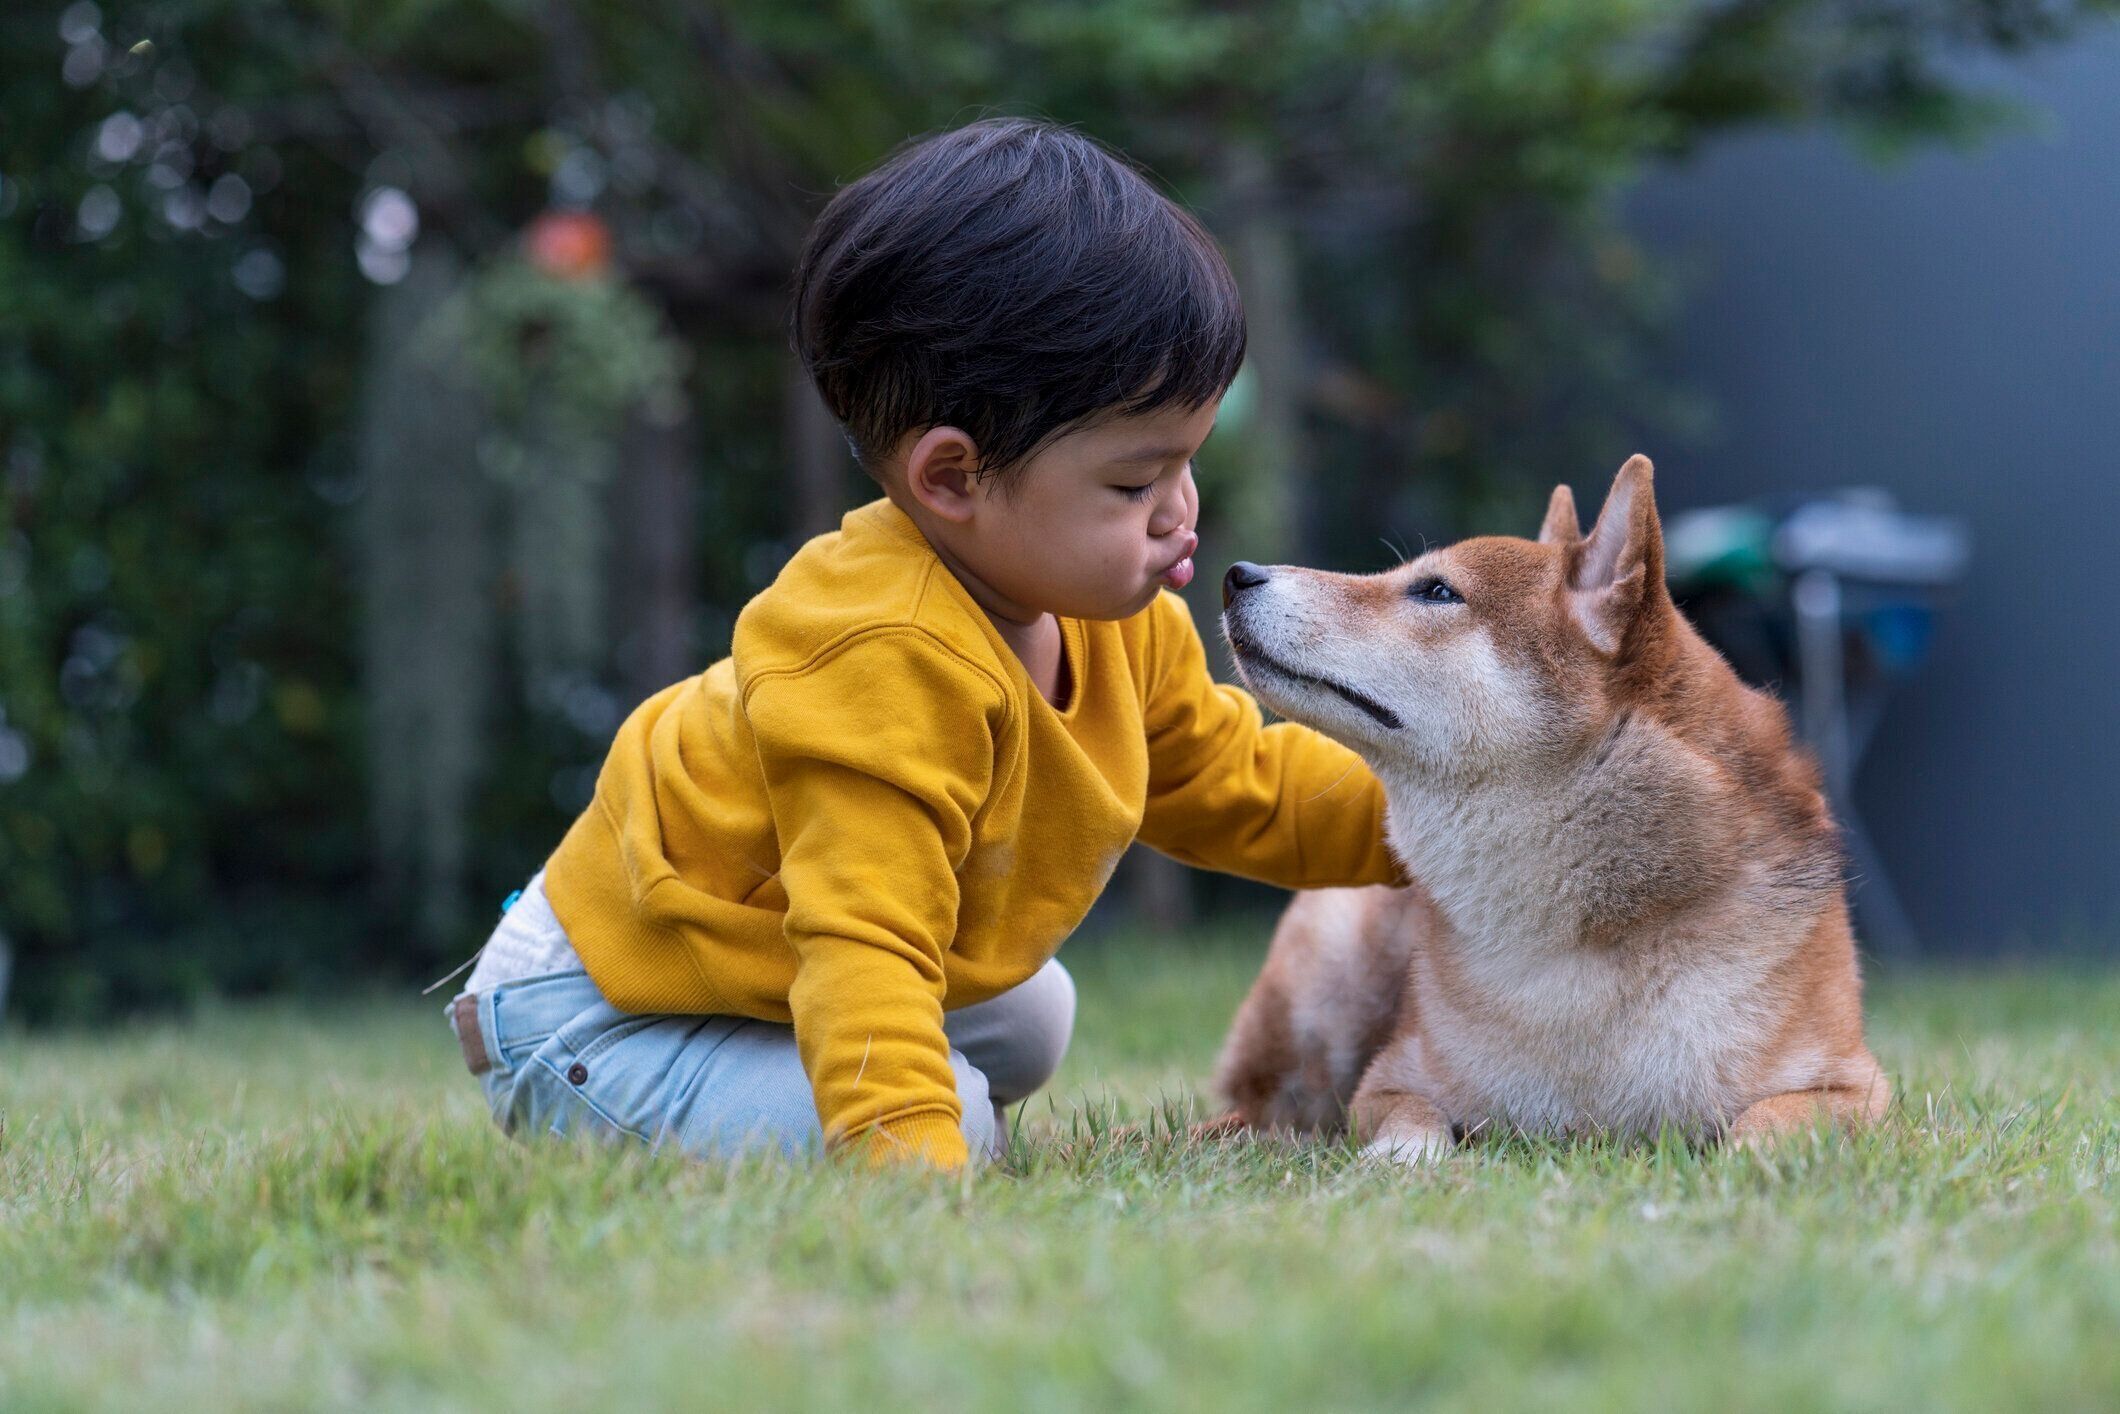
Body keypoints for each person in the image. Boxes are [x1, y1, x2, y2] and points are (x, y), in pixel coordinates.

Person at [443, 117, 1403, 1171]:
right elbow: (865, 942)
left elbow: (1244, 781)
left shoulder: (1106, 617)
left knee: (1029, 1015)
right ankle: (649, 1098)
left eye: (1187, 461)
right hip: (602, 1011)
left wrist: (1457, 826)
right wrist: (914, 1164)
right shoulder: (879, 656)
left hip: (750, 960)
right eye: (1133, 482)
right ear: (951, 480)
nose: (1181, 509)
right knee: (951, 1115)